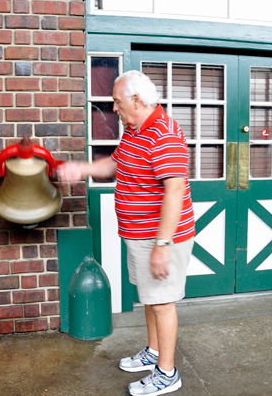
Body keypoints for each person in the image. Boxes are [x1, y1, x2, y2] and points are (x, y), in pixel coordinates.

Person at [58, 70, 195, 396]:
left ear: (136, 100)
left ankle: (167, 373)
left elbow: (174, 191)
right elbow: (116, 165)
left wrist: (162, 245)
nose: (114, 110)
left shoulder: (163, 134)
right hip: (141, 236)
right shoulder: (136, 131)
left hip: (160, 237)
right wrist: (84, 169)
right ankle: (153, 352)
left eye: (117, 102)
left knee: (162, 302)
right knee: (150, 298)